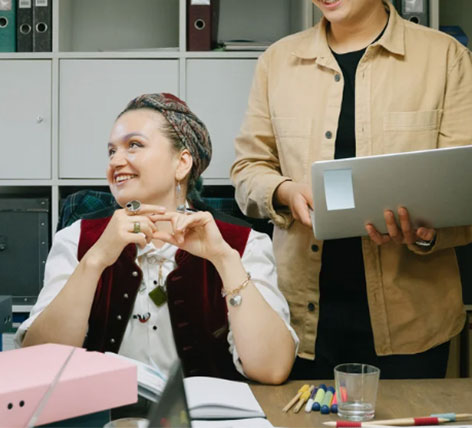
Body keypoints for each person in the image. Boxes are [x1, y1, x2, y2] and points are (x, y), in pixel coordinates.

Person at [230, 0, 472, 379]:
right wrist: (285, 191)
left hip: (413, 321)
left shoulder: (443, 58)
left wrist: (427, 232)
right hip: (299, 318)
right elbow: (247, 169)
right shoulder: (277, 63)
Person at [17, 94, 297, 383]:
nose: (116, 162)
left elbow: (272, 369)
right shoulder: (76, 238)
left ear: (182, 163)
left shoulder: (244, 243)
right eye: (111, 151)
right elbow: (40, 363)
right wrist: (95, 260)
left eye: (134, 145)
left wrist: (225, 260)